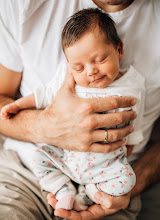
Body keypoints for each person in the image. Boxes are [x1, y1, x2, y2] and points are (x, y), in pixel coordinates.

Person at [0, 0, 159, 220]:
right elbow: (43, 95)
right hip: (50, 163)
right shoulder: (68, 78)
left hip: (106, 168)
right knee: (40, 158)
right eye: (78, 67)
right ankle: (62, 189)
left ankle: (91, 193)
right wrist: (21, 109)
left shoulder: (133, 83)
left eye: (101, 59)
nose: (92, 71)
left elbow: (136, 120)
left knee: (126, 180)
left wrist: (126, 150)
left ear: (119, 50)